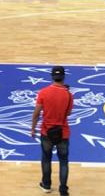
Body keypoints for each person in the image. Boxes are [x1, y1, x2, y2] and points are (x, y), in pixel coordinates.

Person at [31, 66, 73, 196]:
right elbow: (68, 113)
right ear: (63, 77)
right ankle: (63, 189)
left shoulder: (43, 92)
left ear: (52, 77)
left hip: (46, 132)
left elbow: (36, 113)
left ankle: (47, 185)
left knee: (46, 159)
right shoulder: (68, 94)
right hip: (63, 132)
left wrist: (32, 128)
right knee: (64, 162)